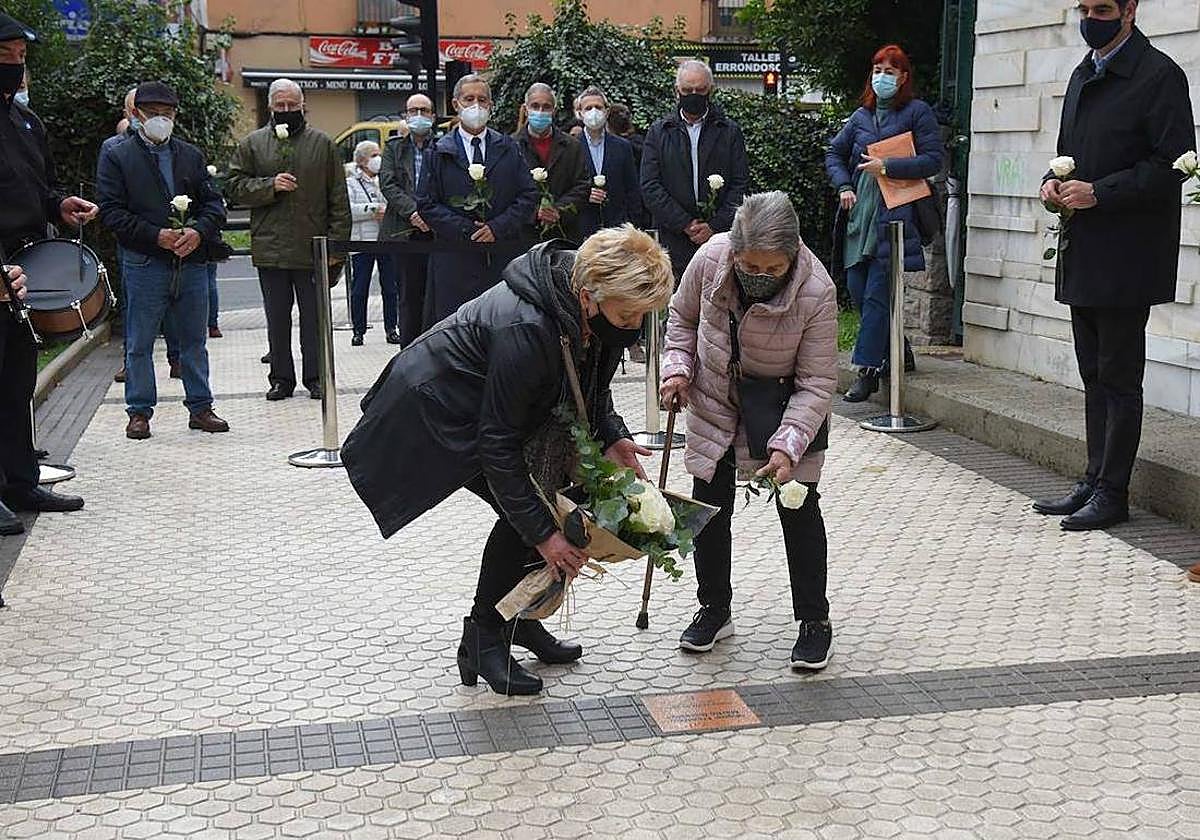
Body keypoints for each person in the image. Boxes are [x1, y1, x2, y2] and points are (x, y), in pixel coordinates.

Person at [342, 225, 673, 695]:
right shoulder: (528, 328)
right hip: (437, 413)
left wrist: (613, 436)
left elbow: (591, 380)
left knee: (541, 506)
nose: (634, 328)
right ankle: (483, 637)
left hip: (485, 409)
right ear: (588, 296)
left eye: (643, 316)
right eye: (626, 317)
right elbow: (497, 445)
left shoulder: (588, 310)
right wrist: (544, 536)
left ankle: (516, 619)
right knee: (529, 515)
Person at [1032, 0, 1194, 531]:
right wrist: (1052, 187)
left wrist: (1101, 193)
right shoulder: (1084, 72)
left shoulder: (1159, 75)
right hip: (1084, 248)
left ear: (1129, 11)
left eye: (1101, 8)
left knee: (1120, 377)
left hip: (1128, 253)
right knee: (1093, 373)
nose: (1089, 18)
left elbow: (1172, 167)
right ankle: (1094, 477)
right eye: (1083, 7)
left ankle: (1113, 492)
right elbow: (1068, 152)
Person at [661, 192, 837, 669]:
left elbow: (818, 381)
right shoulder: (711, 257)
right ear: (734, 251)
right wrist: (676, 369)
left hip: (784, 406)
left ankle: (814, 621)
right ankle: (714, 609)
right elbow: (682, 319)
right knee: (707, 510)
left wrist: (787, 445)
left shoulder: (816, 290)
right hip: (716, 399)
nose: (758, 277)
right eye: (748, 266)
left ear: (793, 255)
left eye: (771, 270)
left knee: (799, 510)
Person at [0, 12, 97, 533]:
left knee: (16, 382)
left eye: (20, 56)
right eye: (5, 55)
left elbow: (41, 189)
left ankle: (19, 481)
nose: (17, 65)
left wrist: (61, 206)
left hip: (24, 267)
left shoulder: (25, 121)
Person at [96, 81, 229, 441]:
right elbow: (110, 212)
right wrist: (156, 235)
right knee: (139, 341)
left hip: (191, 261)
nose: (160, 121)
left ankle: (200, 407)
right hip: (145, 261)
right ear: (136, 115)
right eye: (153, 114)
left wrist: (198, 231)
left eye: (167, 115)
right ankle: (139, 412)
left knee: (193, 340)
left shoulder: (190, 155)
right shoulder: (118, 154)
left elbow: (214, 204)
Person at [825, 45, 942, 403]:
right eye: (878, 69)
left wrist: (888, 167)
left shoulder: (917, 113)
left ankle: (867, 370)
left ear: (903, 77)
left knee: (877, 294)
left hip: (896, 217)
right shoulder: (861, 116)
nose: (882, 77)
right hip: (861, 219)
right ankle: (898, 348)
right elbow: (833, 153)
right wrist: (844, 185)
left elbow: (933, 159)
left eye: (890, 71)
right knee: (860, 290)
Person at [226, 78, 351, 401]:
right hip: (272, 248)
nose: (286, 111)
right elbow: (234, 187)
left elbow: (338, 197)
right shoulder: (253, 144)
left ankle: (316, 377)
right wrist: (269, 186)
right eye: (280, 105)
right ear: (270, 107)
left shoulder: (323, 144)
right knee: (277, 320)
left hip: (314, 247)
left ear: (302, 105)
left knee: (315, 321)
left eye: (292, 105)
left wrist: (337, 246)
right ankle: (281, 378)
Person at [416, 74, 538, 325]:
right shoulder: (438, 151)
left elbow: (528, 195)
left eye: (482, 100)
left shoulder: (508, 148)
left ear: (491, 105)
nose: (476, 106)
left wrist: (497, 227)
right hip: (454, 261)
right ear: (455, 104)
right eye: (469, 99)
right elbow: (426, 203)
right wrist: (466, 229)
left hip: (500, 260)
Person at [641, 60, 749, 280]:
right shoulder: (659, 131)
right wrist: (685, 224)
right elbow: (650, 185)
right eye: (687, 90)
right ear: (676, 91)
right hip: (672, 239)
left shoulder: (729, 132)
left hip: (718, 238)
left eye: (700, 90)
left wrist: (714, 225)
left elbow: (740, 184)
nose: (693, 95)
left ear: (710, 90)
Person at [379, 92, 436, 346]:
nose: (419, 116)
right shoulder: (394, 148)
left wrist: (430, 215)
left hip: (437, 232)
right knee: (408, 296)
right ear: (406, 116)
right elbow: (388, 185)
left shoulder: (443, 146)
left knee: (435, 295)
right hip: (404, 232)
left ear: (433, 116)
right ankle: (409, 350)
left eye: (424, 110)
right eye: (414, 111)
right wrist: (413, 213)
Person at [513, 83, 589, 245]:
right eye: (535, 106)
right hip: (524, 237)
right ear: (526, 109)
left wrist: (558, 210)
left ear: (554, 111)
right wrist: (535, 213)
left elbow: (582, 186)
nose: (540, 111)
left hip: (565, 235)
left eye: (546, 107)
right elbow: (506, 190)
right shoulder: (511, 146)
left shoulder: (572, 146)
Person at [345, 140, 395, 346]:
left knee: (391, 287)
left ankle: (392, 328)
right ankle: (358, 330)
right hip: (363, 241)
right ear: (363, 159)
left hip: (385, 238)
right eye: (374, 155)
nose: (378, 159)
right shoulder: (350, 182)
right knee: (360, 287)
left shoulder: (384, 179)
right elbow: (350, 209)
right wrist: (373, 209)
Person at [575, 86, 642, 240]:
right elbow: (564, 187)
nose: (594, 112)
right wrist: (585, 195)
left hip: (617, 231)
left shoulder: (623, 146)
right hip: (582, 230)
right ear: (580, 113)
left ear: (606, 111)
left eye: (598, 107)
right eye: (588, 108)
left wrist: (634, 226)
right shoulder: (571, 146)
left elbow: (632, 189)